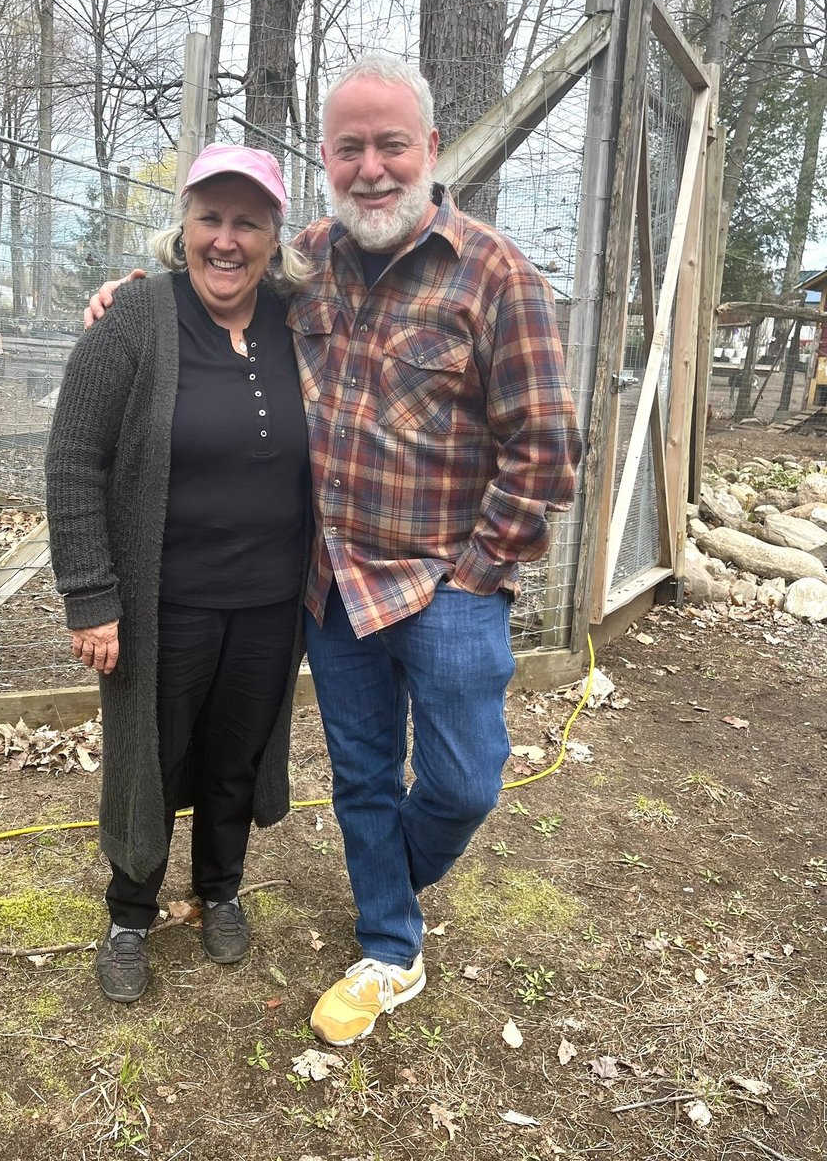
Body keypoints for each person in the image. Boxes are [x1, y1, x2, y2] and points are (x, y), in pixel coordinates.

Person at [86, 55, 583, 1043]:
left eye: (389, 144)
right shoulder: (304, 260)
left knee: (463, 778)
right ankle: (390, 944)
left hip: (447, 585)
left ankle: (391, 878)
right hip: (332, 588)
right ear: (325, 158)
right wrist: (133, 294)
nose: (370, 167)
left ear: (430, 150)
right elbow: (208, 275)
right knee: (359, 771)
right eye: (348, 147)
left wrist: (478, 571)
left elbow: (545, 449)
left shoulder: (494, 274)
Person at [46, 144, 312, 1005]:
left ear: (276, 236)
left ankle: (219, 891)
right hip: (165, 604)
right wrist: (92, 598)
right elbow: (73, 461)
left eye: (248, 223)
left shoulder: (301, 318)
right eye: (210, 220)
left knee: (237, 754)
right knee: (150, 764)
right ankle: (130, 913)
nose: (226, 241)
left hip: (272, 601)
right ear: (183, 228)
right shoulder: (135, 319)